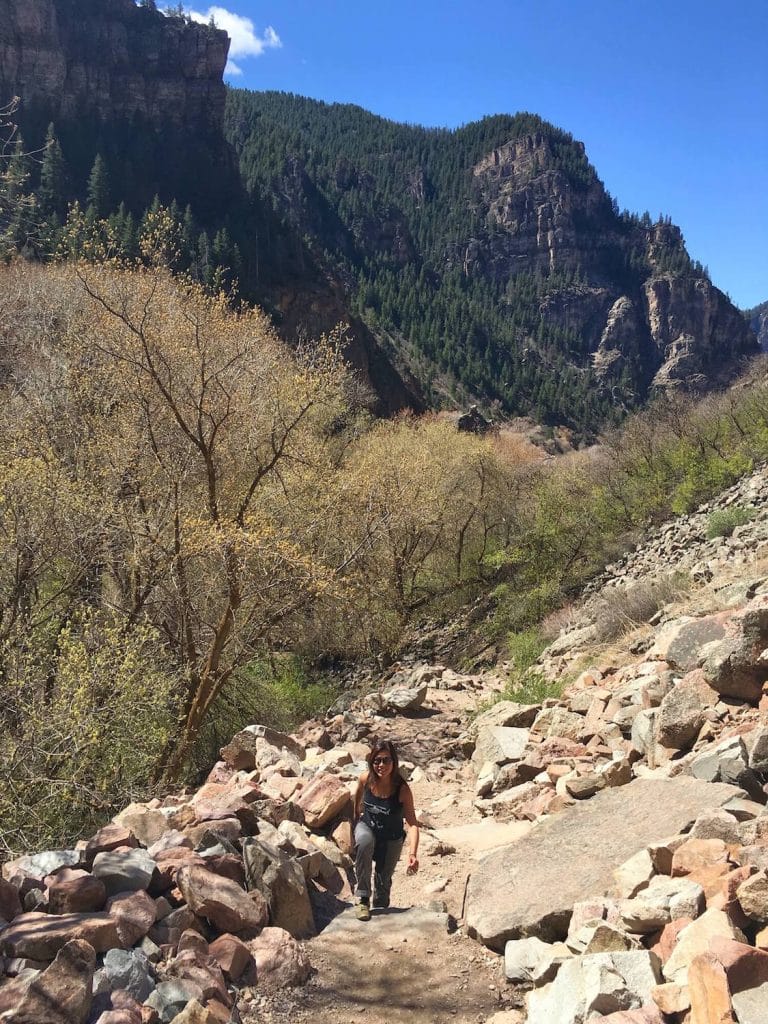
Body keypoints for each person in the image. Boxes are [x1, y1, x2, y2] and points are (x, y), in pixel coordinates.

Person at [352, 739, 419, 921]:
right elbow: (357, 800)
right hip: (368, 827)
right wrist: (355, 822)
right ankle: (363, 899)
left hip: (391, 837)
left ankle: (380, 911)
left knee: (382, 883)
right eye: (377, 760)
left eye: (386, 760)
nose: (381, 765)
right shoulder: (365, 779)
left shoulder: (402, 790)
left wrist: (412, 853)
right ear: (371, 762)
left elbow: (412, 823)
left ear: (394, 762)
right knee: (364, 841)